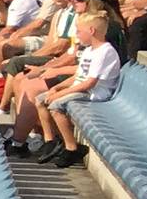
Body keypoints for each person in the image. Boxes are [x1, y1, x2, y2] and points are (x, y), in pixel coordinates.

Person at [12, 16, 123, 167]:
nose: (77, 35)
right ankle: (50, 141)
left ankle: (72, 148)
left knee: (56, 105)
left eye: (79, 31)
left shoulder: (105, 52)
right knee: (40, 100)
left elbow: (89, 83)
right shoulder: (89, 50)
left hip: (95, 93)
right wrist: (57, 87)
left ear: (92, 30)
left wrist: (60, 94)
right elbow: (79, 76)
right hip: (83, 87)